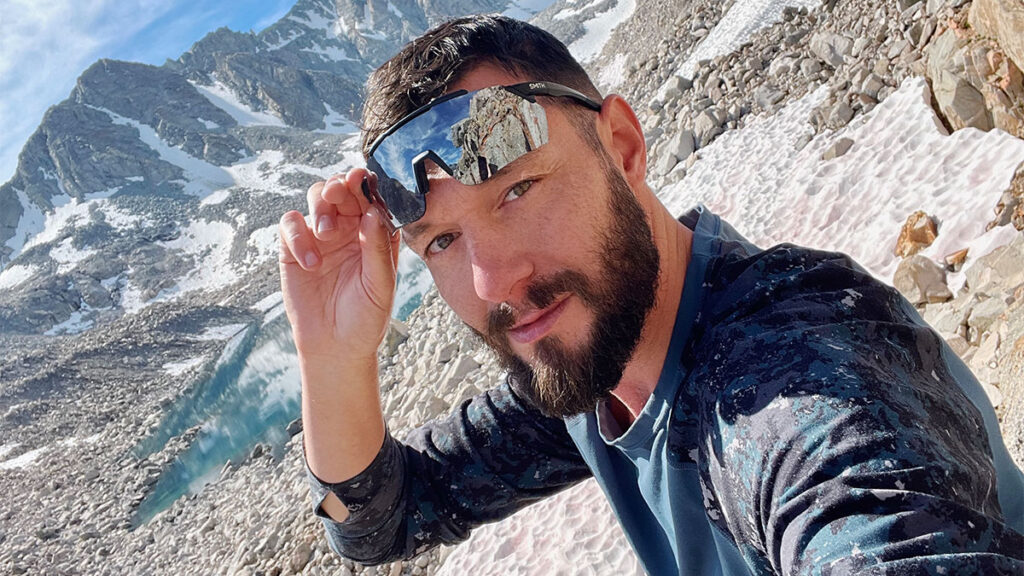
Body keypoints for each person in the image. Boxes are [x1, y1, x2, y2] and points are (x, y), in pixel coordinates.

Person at [277, 14, 1024, 575]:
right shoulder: (591, 360)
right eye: (441, 241)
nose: (492, 281)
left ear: (625, 147)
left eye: (517, 191)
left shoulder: (791, 375)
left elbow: (858, 500)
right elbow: (374, 522)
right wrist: (332, 359)